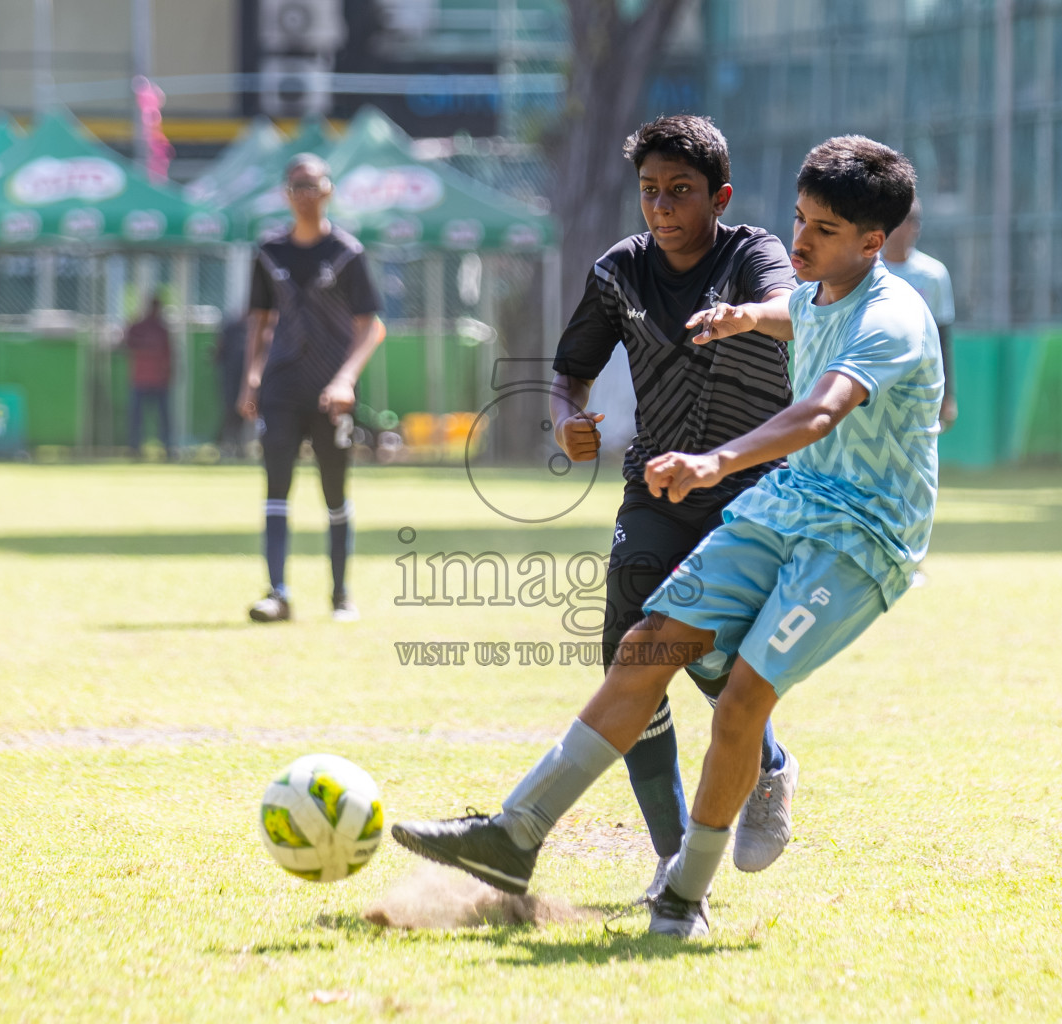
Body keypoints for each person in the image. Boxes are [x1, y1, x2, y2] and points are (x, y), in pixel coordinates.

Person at [393, 136, 941, 940]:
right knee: (646, 645)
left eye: (823, 230)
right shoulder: (819, 290)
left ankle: (683, 893)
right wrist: (742, 315)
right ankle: (513, 836)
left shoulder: (892, 318)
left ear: (872, 240)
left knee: (744, 700)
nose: (800, 241)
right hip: (787, 505)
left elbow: (819, 411)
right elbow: (789, 313)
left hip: (858, 538)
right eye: (799, 218)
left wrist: (716, 457)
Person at [548, 115, 801, 895]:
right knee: (630, 637)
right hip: (657, 484)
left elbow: (799, 313)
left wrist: (748, 316)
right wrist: (566, 418)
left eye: (681, 192)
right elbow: (570, 373)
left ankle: (767, 762)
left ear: (718, 196)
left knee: (701, 642)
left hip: (752, 485)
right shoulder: (619, 271)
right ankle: (668, 852)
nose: (661, 207)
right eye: (650, 192)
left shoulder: (754, 254)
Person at [238, 153, 385, 624]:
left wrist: (346, 378)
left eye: (312, 184)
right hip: (281, 386)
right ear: (286, 194)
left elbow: (371, 327)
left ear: (328, 191)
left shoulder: (346, 253)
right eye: (296, 185)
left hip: (329, 390)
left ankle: (341, 595)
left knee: (333, 491)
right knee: (276, 488)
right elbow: (259, 322)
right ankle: (276, 593)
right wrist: (251, 376)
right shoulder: (268, 252)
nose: (304, 194)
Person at [881, 197, 957, 430]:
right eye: (899, 220)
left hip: (919, 381)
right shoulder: (867, 270)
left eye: (912, 220)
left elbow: (941, 338)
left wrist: (948, 395)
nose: (905, 227)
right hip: (877, 375)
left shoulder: (933, 274)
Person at [123, 293, 174, 458]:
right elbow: (126, 343)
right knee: (137, 417)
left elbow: (169, 354)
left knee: (164, 417)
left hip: (159, 380)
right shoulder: (138, 327)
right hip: (140, 379)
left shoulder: (162, 329)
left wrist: (169, 373)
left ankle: (167, 447)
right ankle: (134, 447)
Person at [215, 313, 248, 456]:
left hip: (247, 384)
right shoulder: (232, 329)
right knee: (230, 412)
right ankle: (227, 445)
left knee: (244, 414)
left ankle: (239, 446)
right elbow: (218, 354)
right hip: (231, 381)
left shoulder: (252, 329)